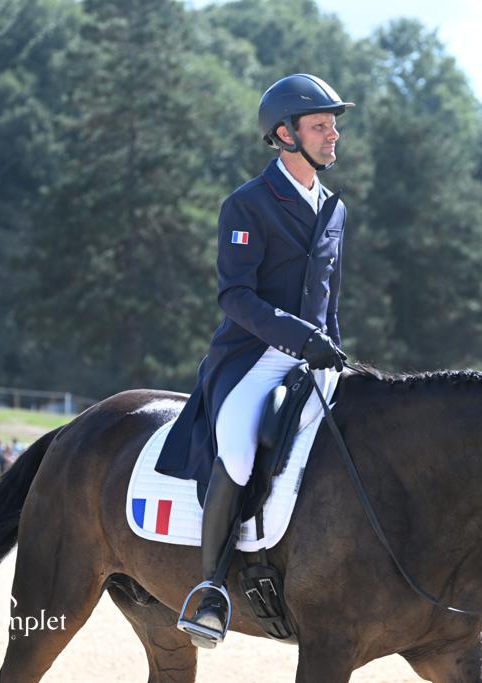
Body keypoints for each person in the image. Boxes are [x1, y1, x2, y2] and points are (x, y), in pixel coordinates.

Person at [174, 73, 354, 647]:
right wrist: (300, 339)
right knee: (239, 443)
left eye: (333, 126)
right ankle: (210, 590)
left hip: (318, 356)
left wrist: (336, 354)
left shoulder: (334, 207)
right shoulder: (247, 204)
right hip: (253, 358)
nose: (333, 136)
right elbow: (235, 296)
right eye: (320, 126)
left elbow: (331, 297)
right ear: (284, 134)